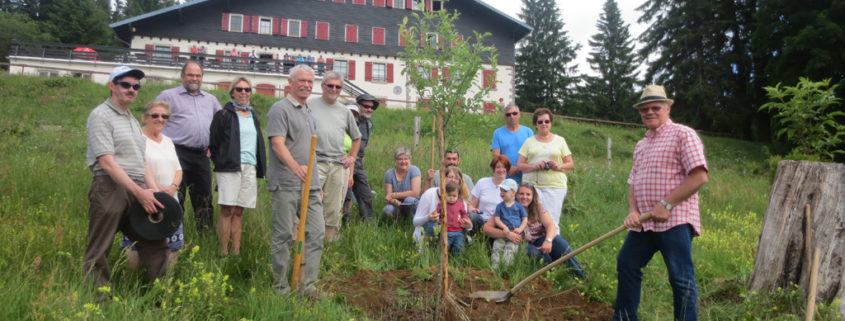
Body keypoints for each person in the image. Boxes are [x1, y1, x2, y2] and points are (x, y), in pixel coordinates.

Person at [613, 85, 708, 321]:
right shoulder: (641, 145)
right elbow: (633, 182)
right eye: (645, 109)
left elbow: (699, 176)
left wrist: (666, 204)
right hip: (644, 223)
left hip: (674, 219)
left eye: (656, 107)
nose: (650, 112)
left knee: (680, 277)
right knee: (627, 263)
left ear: (667, 107)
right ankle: (624, 318)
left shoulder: (683, 134)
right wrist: (633, 211)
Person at [84, 66, 169, 288]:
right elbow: (107, 162)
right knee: (100, 247)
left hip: (137, 187)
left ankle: (160, 295)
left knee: (155, 241)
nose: (131, 89)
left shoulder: (131, 119)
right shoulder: (100, 115)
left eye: (136, 86)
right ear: (112, 85)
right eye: (125, 84)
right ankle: (98, 301)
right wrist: (139, 192)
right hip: (110, 187)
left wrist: (155, 192)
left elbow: (142, 162)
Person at [266, 64, 326, 298]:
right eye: (302, 81)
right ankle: (281, 288)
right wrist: (295, 168)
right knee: (283, 236)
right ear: (290, 83)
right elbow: (277, 143)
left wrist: (316, 183)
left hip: (310, 185)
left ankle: (307, 285)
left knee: (317, 232)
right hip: (286, 184)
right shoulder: (279, 109)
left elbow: (311, 152)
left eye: (311, 82)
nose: (307, 85)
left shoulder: (309, 112)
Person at [157, 61, 222, 234]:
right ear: (182, 76)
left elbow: (221, 125)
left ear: (202, 78)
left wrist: (213, 146)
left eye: (198, 75)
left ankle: (205, 237)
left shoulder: (210, 99)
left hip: (201, 156)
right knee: (176, 196)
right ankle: (174, 235)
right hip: (176, 154)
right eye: (191, 75)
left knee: (204, 198)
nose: (194, 78)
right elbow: (155, 122)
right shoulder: (168, 96)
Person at [119, 100, 184, 269]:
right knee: (137, 244)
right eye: (155, 115)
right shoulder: (137, 140)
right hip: (144, 199)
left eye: (164, 116)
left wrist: (173, 187)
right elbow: (139, 167)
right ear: (144, 118)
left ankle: (166, 283)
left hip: (170, 201)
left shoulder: (168, 141)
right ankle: (133, 282)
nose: (160, 119)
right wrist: (157, 190)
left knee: (172, 245)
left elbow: (178, 169)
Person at [209, 77, 266, 256]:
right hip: (229, 166)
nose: (244, 92)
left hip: (250, 166)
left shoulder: (253, 115)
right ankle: (223, 252)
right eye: (239, 89)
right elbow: (214, 142)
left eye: (247, 89)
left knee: (239, 211)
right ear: (232, 92)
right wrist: (222, 161)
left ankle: (236, 252)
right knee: (227, 210)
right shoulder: (224, 114)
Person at [308, 71, 361, 242]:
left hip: (337, 165)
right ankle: (300, 243)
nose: (333, 89)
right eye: (330, 85)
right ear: (322, 86)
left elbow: (357, 137)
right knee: (307, 203)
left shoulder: (344, 111)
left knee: (333, 208)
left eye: (337, 86)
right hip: (315, 162)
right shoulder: (309, 105)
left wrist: (352, 157)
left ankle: (328, 245)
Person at [516, 108, 573, 233]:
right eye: (540, 122)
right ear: (535, 124)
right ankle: (532, 247)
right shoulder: (529, 142)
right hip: (532, 186)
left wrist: (558, 166)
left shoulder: (560, 140)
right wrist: (535, 166)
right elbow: (520, 165)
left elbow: (570, 163)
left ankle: (553, 245)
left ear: (551, 123)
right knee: (532, 219)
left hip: (554, 186)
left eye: (546, 121)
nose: (544, 124)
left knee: (552, 220)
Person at [517, 182, 585, 279]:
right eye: (521, 194)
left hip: (540, 237)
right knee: (537, 254)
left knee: (560, 244)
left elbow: (550, 225)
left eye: (528, 194)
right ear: (516, 195)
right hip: (523, 242)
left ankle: (580, 277)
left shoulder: (538, 207)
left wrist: (548, 240)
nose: (524, 197)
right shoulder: (511, 208)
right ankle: (555, 277)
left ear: (533, 196)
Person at [342, 94, 379, 221]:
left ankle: (367, 221)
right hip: (346, 160)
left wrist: (361, 155)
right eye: (366, 106)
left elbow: (362, 143)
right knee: (345, 194)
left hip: (358, 162)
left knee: (365, 193)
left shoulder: (369, 124)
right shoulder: (349, 120)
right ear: (358, 106)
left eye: (372, 107)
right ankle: (344, 222)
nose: (369, 109)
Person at [412, 166, 472, 242]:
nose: (453, 180)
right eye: (450, 177)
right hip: (428, 235)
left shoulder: (461, 200)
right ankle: (429, 248)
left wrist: (469, 225)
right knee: (432, 224)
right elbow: (415, 222)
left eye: (456, 178)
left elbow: (464, 219)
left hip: (452, 234)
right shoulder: (430, 194)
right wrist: (428, 218)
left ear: (460, 182)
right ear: (443, 179)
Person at [491, 103, 534, 182]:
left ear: (519, 115)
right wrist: (508, 168)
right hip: (505, 176)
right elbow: (496, 155)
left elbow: (533, 153)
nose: (512, 116)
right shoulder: (498, 133)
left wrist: (518, 168)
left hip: (525, 176)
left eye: (514, 113)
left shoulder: (528, 132)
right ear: (505, 117)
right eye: (508, 114)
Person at [490, 179, 527, 269]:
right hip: (503, 233)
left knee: (510, 249)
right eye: (501, 191)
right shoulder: (500, 206)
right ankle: (495, 267)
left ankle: (506, 268)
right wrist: (504, 227)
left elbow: (525, 219)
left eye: (505, 191)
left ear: (513, 192)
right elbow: (497, 219)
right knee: (497, 247)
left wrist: (520, 229)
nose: (502, 193)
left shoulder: (518, 206)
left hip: (515, 233)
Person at [471, 155, 510, 235]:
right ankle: (475, 238)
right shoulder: (482, 182)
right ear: (493, 168)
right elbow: (472, 205)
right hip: (482, 219)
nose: (501, 170)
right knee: (473, 217)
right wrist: (472, 209)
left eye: (504, 167)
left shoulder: (511, 187)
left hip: (500, 222)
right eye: (498, 167)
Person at [382, 147, 421, 219]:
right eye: (400, 159)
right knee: (387, 210)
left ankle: (413, 220)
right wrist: (394, 201)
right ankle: (397, 222)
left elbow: (415, 193)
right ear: (396, 160)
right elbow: (388, 196)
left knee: (409, 199)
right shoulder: (389, 174)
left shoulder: (414, 170)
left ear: (409, 160)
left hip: (411, 203)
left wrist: (395, 195)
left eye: (406, 159)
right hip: (396, 204)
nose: (403, 162)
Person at [436, 182, 471, 256]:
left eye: (454, 196)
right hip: (446, 231)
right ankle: (442, 261)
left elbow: (464, 213)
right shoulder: (442, 204)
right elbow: (437, 213)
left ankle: (457, 262)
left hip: (458, 231)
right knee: (444, 247)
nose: (451, 198)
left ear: (458, 196)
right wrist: (439, 221)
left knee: (459, 247)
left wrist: (465, 219)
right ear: (445, 194)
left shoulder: (460, 204)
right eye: (449, 195)